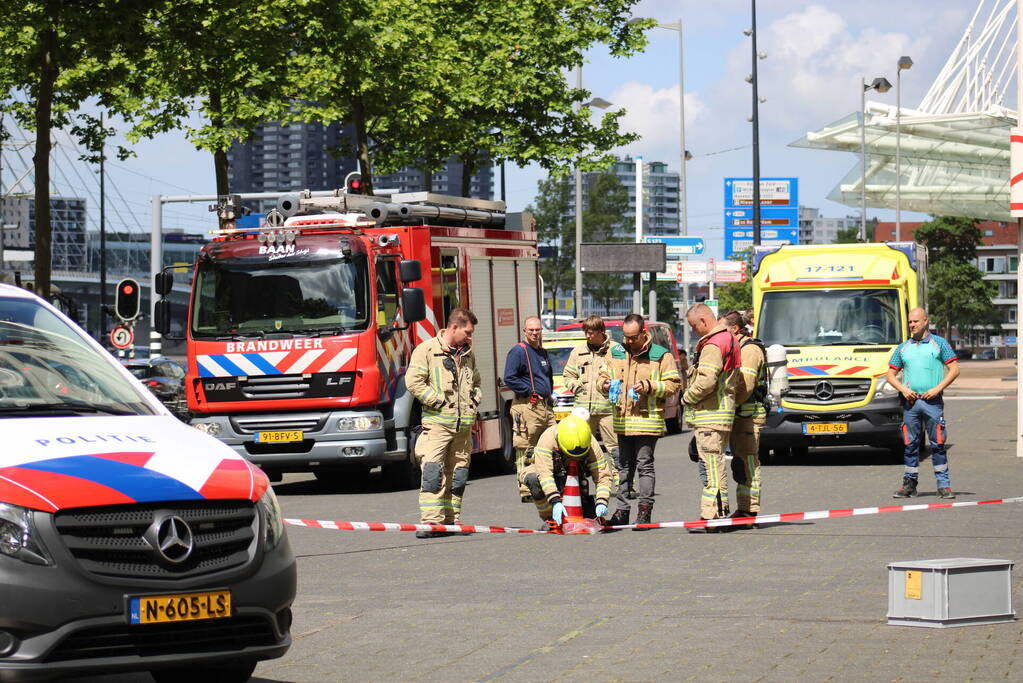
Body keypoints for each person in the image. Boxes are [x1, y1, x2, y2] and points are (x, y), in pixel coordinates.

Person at [599, 313, 682, 527]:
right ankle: (622, 511)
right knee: (624, 466)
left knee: (644, 465)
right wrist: (606, 384)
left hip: (647, 419)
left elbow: (674, 384)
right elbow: (602, 376)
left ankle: (644, 511)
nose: (628, 342)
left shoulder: (661, 355)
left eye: (633, 337)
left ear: (644, 333)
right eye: (625, 337)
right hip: (622, 420)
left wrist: (649, 386)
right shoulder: (616, 352)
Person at [405, 307, 482, 539]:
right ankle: (431, 522)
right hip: (437, 425)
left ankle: (451, 520)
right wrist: (437, 401)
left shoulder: (467, 353)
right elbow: (413, 382)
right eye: (467, 332)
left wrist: (474, 400)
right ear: (454, 327)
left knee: (458, 474)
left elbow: (476, 381)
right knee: (433, 472)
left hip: (463, 427)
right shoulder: (426, 350)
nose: (470, 337)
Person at [886, 307, 960, 499]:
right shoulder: (903, 347)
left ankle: (944, 485)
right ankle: (909, 485)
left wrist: (937, 388)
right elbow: (890, 375)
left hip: (933, 404)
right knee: (910, 445)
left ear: (926, 321)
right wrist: (903, 389)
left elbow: (954, 370)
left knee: (938, 444)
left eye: (916, 321)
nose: (912, 325)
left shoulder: (939, 343)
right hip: (911, 405)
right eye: (910, 322)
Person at [682, 303, 741, 532]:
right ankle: (720, 512)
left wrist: (687, 397)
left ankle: (713, 516)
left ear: (704, 321)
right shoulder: (730, 339)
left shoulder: (714, 344)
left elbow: (706, 381)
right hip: (722, 413)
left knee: (711, 469)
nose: (694, 330)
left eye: (694, 325)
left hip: (710, 414)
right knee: (716, 466)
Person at [521, 416, 613, 528]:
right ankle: (549, 518)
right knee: (533, 479)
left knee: (589, 517)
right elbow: (545, 475)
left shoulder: (590, 442)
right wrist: (555, 501)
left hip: (576, 475)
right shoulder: (547, 440)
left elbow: (602, 475)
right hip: (548, 469)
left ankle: (582, 502)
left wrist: (602, 501)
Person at [561, 315, 621, 488]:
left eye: (591, 333)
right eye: (586, 332)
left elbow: (624, 374)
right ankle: (579, 482)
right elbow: (568, 375)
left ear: (601, 331)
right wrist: (577, 387)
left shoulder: (616, 350)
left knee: (615, 448)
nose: (588, 336)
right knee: (579, 446)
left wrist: (614, 384)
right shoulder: (578, 351)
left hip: (608, 409)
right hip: (583, 410)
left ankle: (623, 483)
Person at [722, 310, 768, 525]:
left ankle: (749, 511)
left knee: (748, 463)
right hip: (739, 416)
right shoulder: (736, 347)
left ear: (734, 329)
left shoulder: (749, 350)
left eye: (723, 329)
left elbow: (746, 386)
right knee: (740, 464)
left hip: (748, 417)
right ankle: (744, 509)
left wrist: (725, 406)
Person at [503, 315, 556, 501]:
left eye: (538, 329)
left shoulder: (542, 352)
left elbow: (547, 376)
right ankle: (526, 490)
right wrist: (530, 390)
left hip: (545, 407)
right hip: (527, 407)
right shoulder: (518, 351)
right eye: (531, 330)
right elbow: (509, 377)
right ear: (524, 331)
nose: (535, 333)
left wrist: (549, 395)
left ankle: (546, 483)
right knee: (526, 447)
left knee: (550, 445)